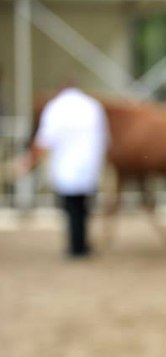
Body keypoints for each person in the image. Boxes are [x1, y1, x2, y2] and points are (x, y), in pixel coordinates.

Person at [20, 83, 108, 258]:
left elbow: (44, 140)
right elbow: (105, 137)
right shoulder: (92, 106)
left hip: (66, 167)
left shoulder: (55, 108)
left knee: (71, 208)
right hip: (89, 165)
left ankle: (76, 247)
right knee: (83, 207)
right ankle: (81, 244)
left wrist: (29, 161)